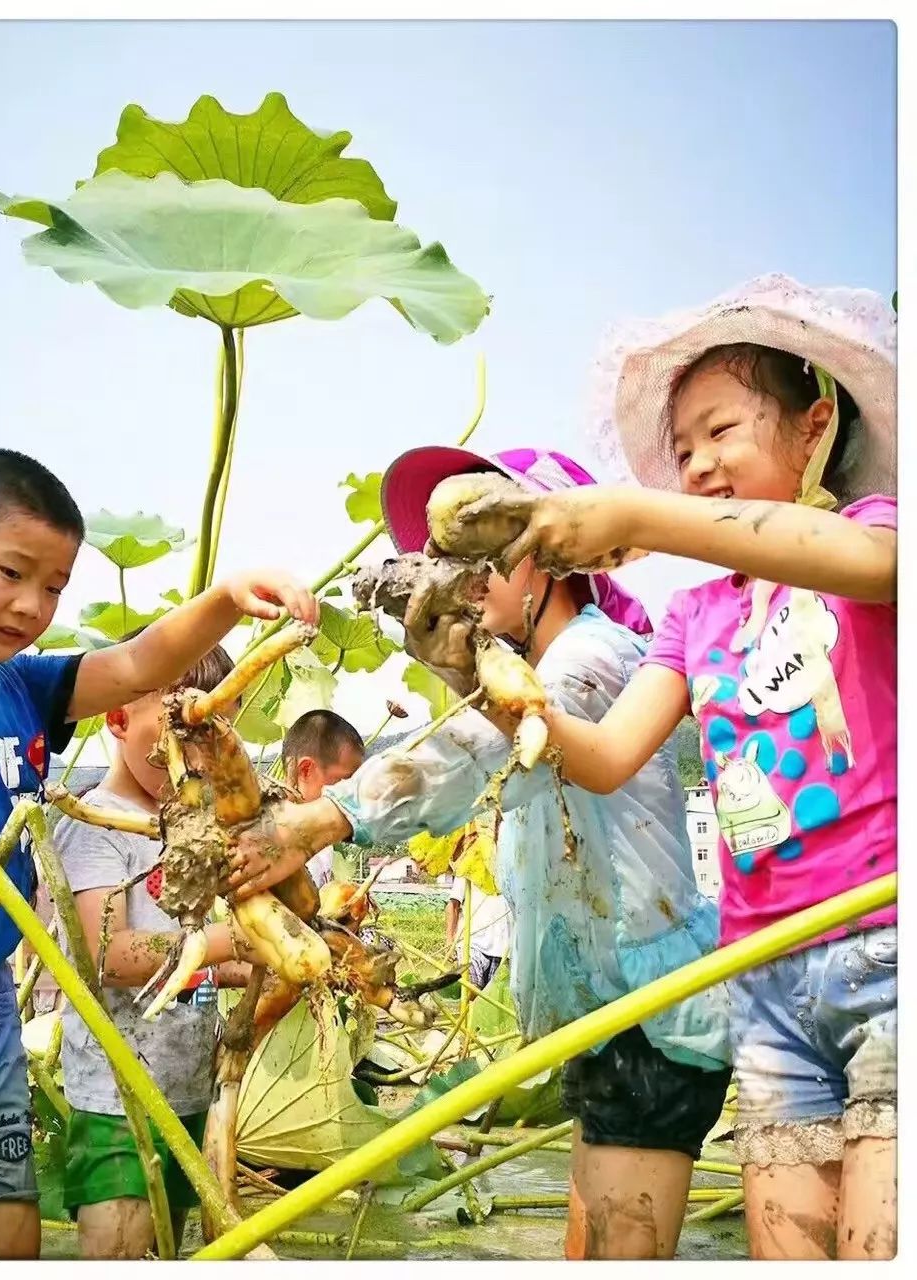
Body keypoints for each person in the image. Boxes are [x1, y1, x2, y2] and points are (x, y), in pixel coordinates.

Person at [446, 277, 897, 1260]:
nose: (694, 463)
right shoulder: (695, 619)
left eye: (718, 430)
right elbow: (601, 758)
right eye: (678, 449)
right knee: (791, 1245)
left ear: (815, 422)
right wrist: (484, 678)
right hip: (763, 968)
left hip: (883, 944)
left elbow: (869, 564)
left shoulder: (873, 526)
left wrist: (636, 518)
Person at [220, 446, 732, 1260]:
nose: (466, 583)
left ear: (549, 563)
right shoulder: (537, 667)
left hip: (648, 1017)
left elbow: (470, 755)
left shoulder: (590, 662)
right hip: (602, 1017)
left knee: (623, 1245)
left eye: (485, 561)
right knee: (591, 1243)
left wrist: (320, 820)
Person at [0, 446, 316, 1259]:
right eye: (12, 573)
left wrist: (227, 598)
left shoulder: (22, 688)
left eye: (53, 587)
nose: (31, 605)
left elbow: (136, 662)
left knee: (4, 1200)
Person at [53, 635, 253, 1259]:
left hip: (186, 1086)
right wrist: (226, 942)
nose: (196, 753)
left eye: (214, 733)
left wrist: (244, 967)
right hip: (119, 1099)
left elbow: (187, 966)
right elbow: (106, 955)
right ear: (117, 716)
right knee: (119, 1241)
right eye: (180, 727)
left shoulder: (196, 826)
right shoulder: (94, 823)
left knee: (163, 1245)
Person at [279, 709, 365, 888]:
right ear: (306, 769)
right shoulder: (269, 840)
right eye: (343, 782)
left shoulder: (323, 835)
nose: (350, 796)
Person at [445, 865, 511, 993]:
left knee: (491, 1001)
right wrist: (449, 939)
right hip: (471, 943)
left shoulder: (514, 866)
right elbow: (453, 905)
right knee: (471, 990)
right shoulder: (469, 863)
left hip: (504, 950)